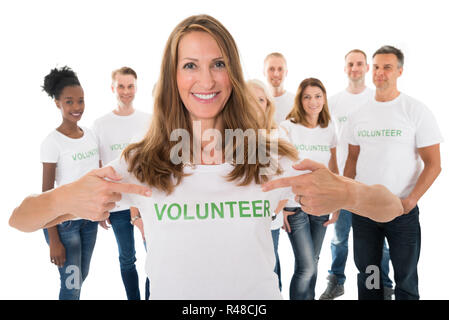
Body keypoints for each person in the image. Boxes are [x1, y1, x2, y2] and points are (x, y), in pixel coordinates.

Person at [9, 15, 404, 299]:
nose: (206, 79)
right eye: (190, 66)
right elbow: (19, 219)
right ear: (173, 76)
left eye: (218, 64)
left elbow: (391, 207)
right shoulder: (141, 163)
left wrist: (348, 194)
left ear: (232, 72)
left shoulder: (268, 156)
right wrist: (64, 199)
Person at [344, 45, 443, 300]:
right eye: (376, 67)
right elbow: (352, 160)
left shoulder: (415, 110)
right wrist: (348, 198)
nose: (380, 73)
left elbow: (434, 164)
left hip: (402, 211)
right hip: (365, 211)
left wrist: (410, 201)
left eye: (387, 67)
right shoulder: (359, 114)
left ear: (399, 71)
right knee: (370, 276)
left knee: (406, 279)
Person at [320, 49, 394, 300]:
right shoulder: (333, 102)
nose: (355, 68)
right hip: (342, 183)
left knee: (378, 241)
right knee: (340, 238)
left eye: (360, 64)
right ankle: (336, 281)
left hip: (372, 185)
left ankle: (384, 284)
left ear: (367, 68)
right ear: (345, 68)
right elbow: (327, 142)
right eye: (351, 64)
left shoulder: (377, 100)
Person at [39, 66, 100, 300]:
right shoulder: (52, 143)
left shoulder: (91, 135)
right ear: (57, 103)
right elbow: (45, 195)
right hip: (65, 226)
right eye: (69, 102)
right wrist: (53, 239)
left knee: (80, 277)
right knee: (72, 285)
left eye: (81, 101)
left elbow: (95, 175)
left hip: (89, 221)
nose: (77, 108)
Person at [92, 67, 151, 300]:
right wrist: (101, 204)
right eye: (121, 86)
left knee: (154, 255)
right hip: (117, 205)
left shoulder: (148, 120)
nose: (126, 91)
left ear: (136, 88)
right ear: (112, 88)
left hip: (145, 202)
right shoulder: (100, 124)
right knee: (127, 258)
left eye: (130, 86)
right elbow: (98, 166)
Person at [278, 78, 339, 300]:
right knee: (306, 267)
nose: (313, 102)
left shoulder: (329, 127)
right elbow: (281, 168)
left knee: (313, 263)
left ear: (324, 99)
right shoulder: (288, 127)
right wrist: (283, 203)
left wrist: (337, 202)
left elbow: (333, 167)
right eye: (307, 97)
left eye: (317, 96)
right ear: (300, 100)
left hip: (322, 204)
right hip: (296, 206)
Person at [247, 79, 285, 292]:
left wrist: (271, 212)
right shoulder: (227, 136)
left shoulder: (278, 135)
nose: (256, 104)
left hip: (268, 218)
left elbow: (285, 182)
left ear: (267, 104)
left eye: (261, 100)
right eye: (250, 99)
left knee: (269, 270)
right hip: (239, 222)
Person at [263, 52, 295, 124]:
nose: (276, 74)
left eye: (280, 69)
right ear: (264, 72)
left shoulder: (296, 102)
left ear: (286, 72)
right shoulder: (256, 102)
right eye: (271, 69)